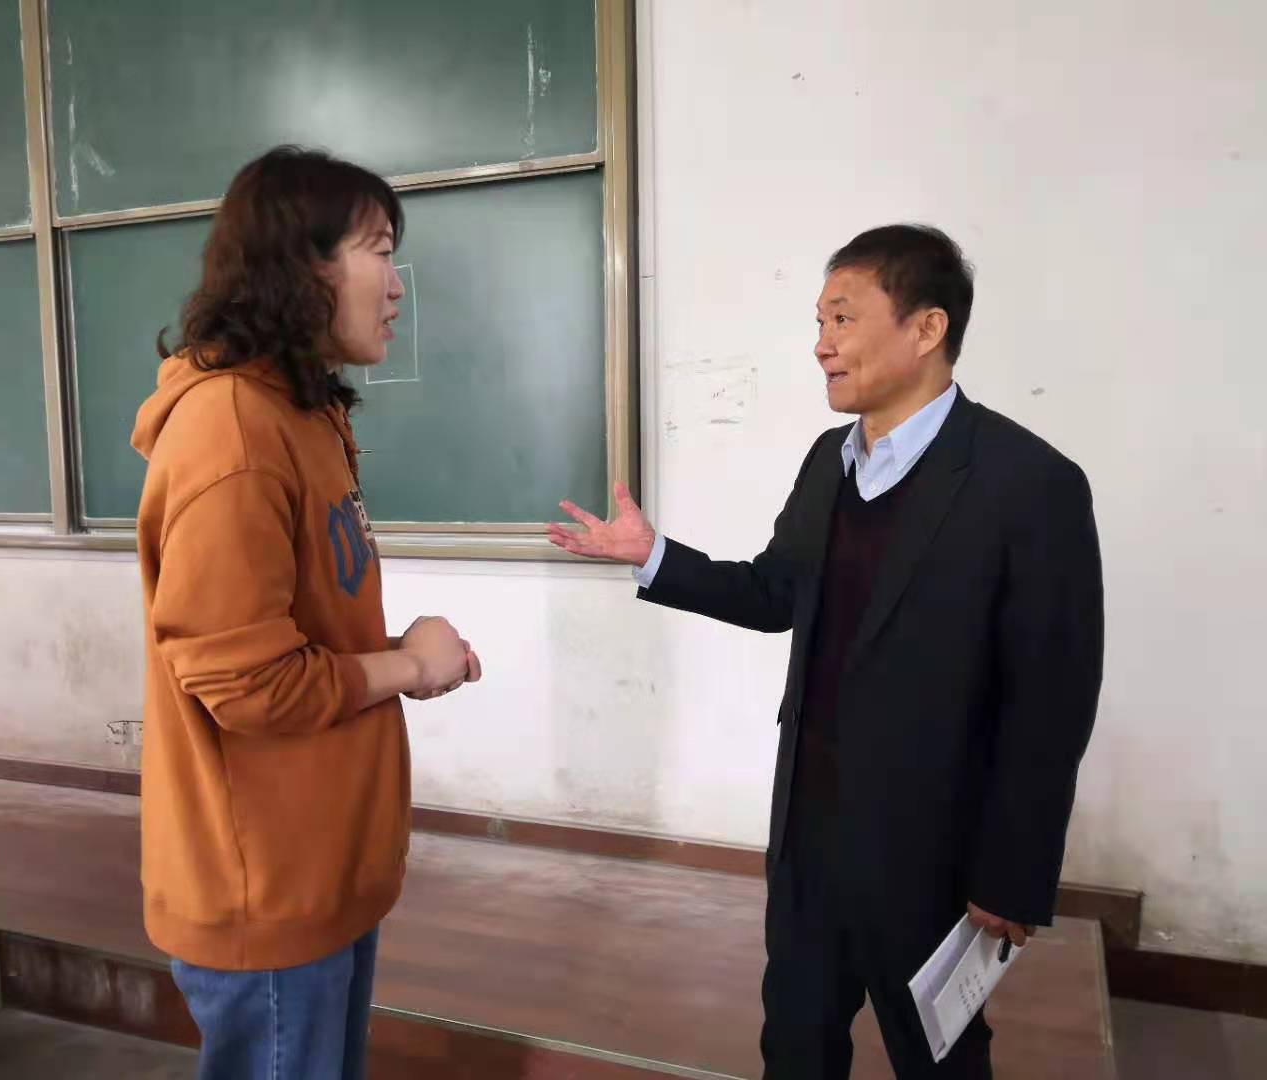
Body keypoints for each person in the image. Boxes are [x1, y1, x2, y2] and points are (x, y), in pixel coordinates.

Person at [549, 224, 1103, 1079]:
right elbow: (778, 592)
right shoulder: (827, 463)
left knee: (942, 1061)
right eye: (819, 322)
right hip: (809, 838)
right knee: (796, 1049)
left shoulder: (1029, 484)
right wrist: (653, 556)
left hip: (934, 853)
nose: (821, 345)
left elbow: (1051, 700)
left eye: (843, 318)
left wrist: (1013, 872)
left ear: (927, 328)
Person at [132, 145, 481, 1080]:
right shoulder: (231, 431)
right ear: (301, 266)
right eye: (379, 252)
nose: (398, 286)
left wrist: (403, 651)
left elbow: (299, 636)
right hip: (268, 885)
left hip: (320, 863)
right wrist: (409, 665)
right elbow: (248, 683)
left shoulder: (304, 412)